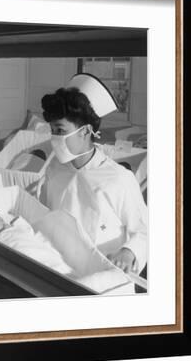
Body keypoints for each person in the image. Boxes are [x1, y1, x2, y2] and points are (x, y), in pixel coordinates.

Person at [39, 74, 147, 276]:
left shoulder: (118, 178)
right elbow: (46, 215)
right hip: (60, 267)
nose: (54, 138)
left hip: (103, 274)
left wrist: (128, 251)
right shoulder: (54, 168)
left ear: (85, 131)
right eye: (52, 130)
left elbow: (145, 230)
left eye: (60, 130)